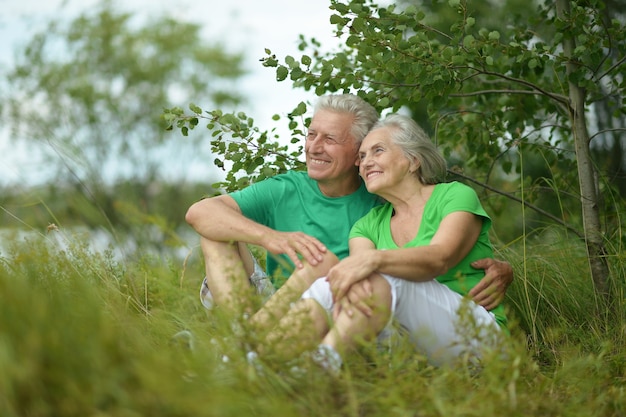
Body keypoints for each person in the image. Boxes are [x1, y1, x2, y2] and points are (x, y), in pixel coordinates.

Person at [184, 94, 512, 327]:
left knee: (321, 263)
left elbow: (431, 243)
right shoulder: (287, 188)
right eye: (311, 135)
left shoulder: (382, 197)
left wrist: (500, 268)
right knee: (215, 233)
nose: (314, 147)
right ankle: (242, 335)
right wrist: (271, 238)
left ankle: (242, 349)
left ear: (358, 152)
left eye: (329, 139)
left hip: (341, 307)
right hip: (277, 303)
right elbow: (201, 212)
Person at [255, 114, 507, 372]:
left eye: (378, 151)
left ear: (413, 161)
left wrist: (376, 259)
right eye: (362, 156)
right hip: (405, 343)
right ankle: (255, 364)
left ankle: (321, 365)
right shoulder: (366, 226)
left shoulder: (454, 195)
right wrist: (360, 270)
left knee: (384, 274)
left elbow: (439, 258)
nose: (366, 163)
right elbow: (357, 277)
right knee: (331, 284)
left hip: (479, 338)